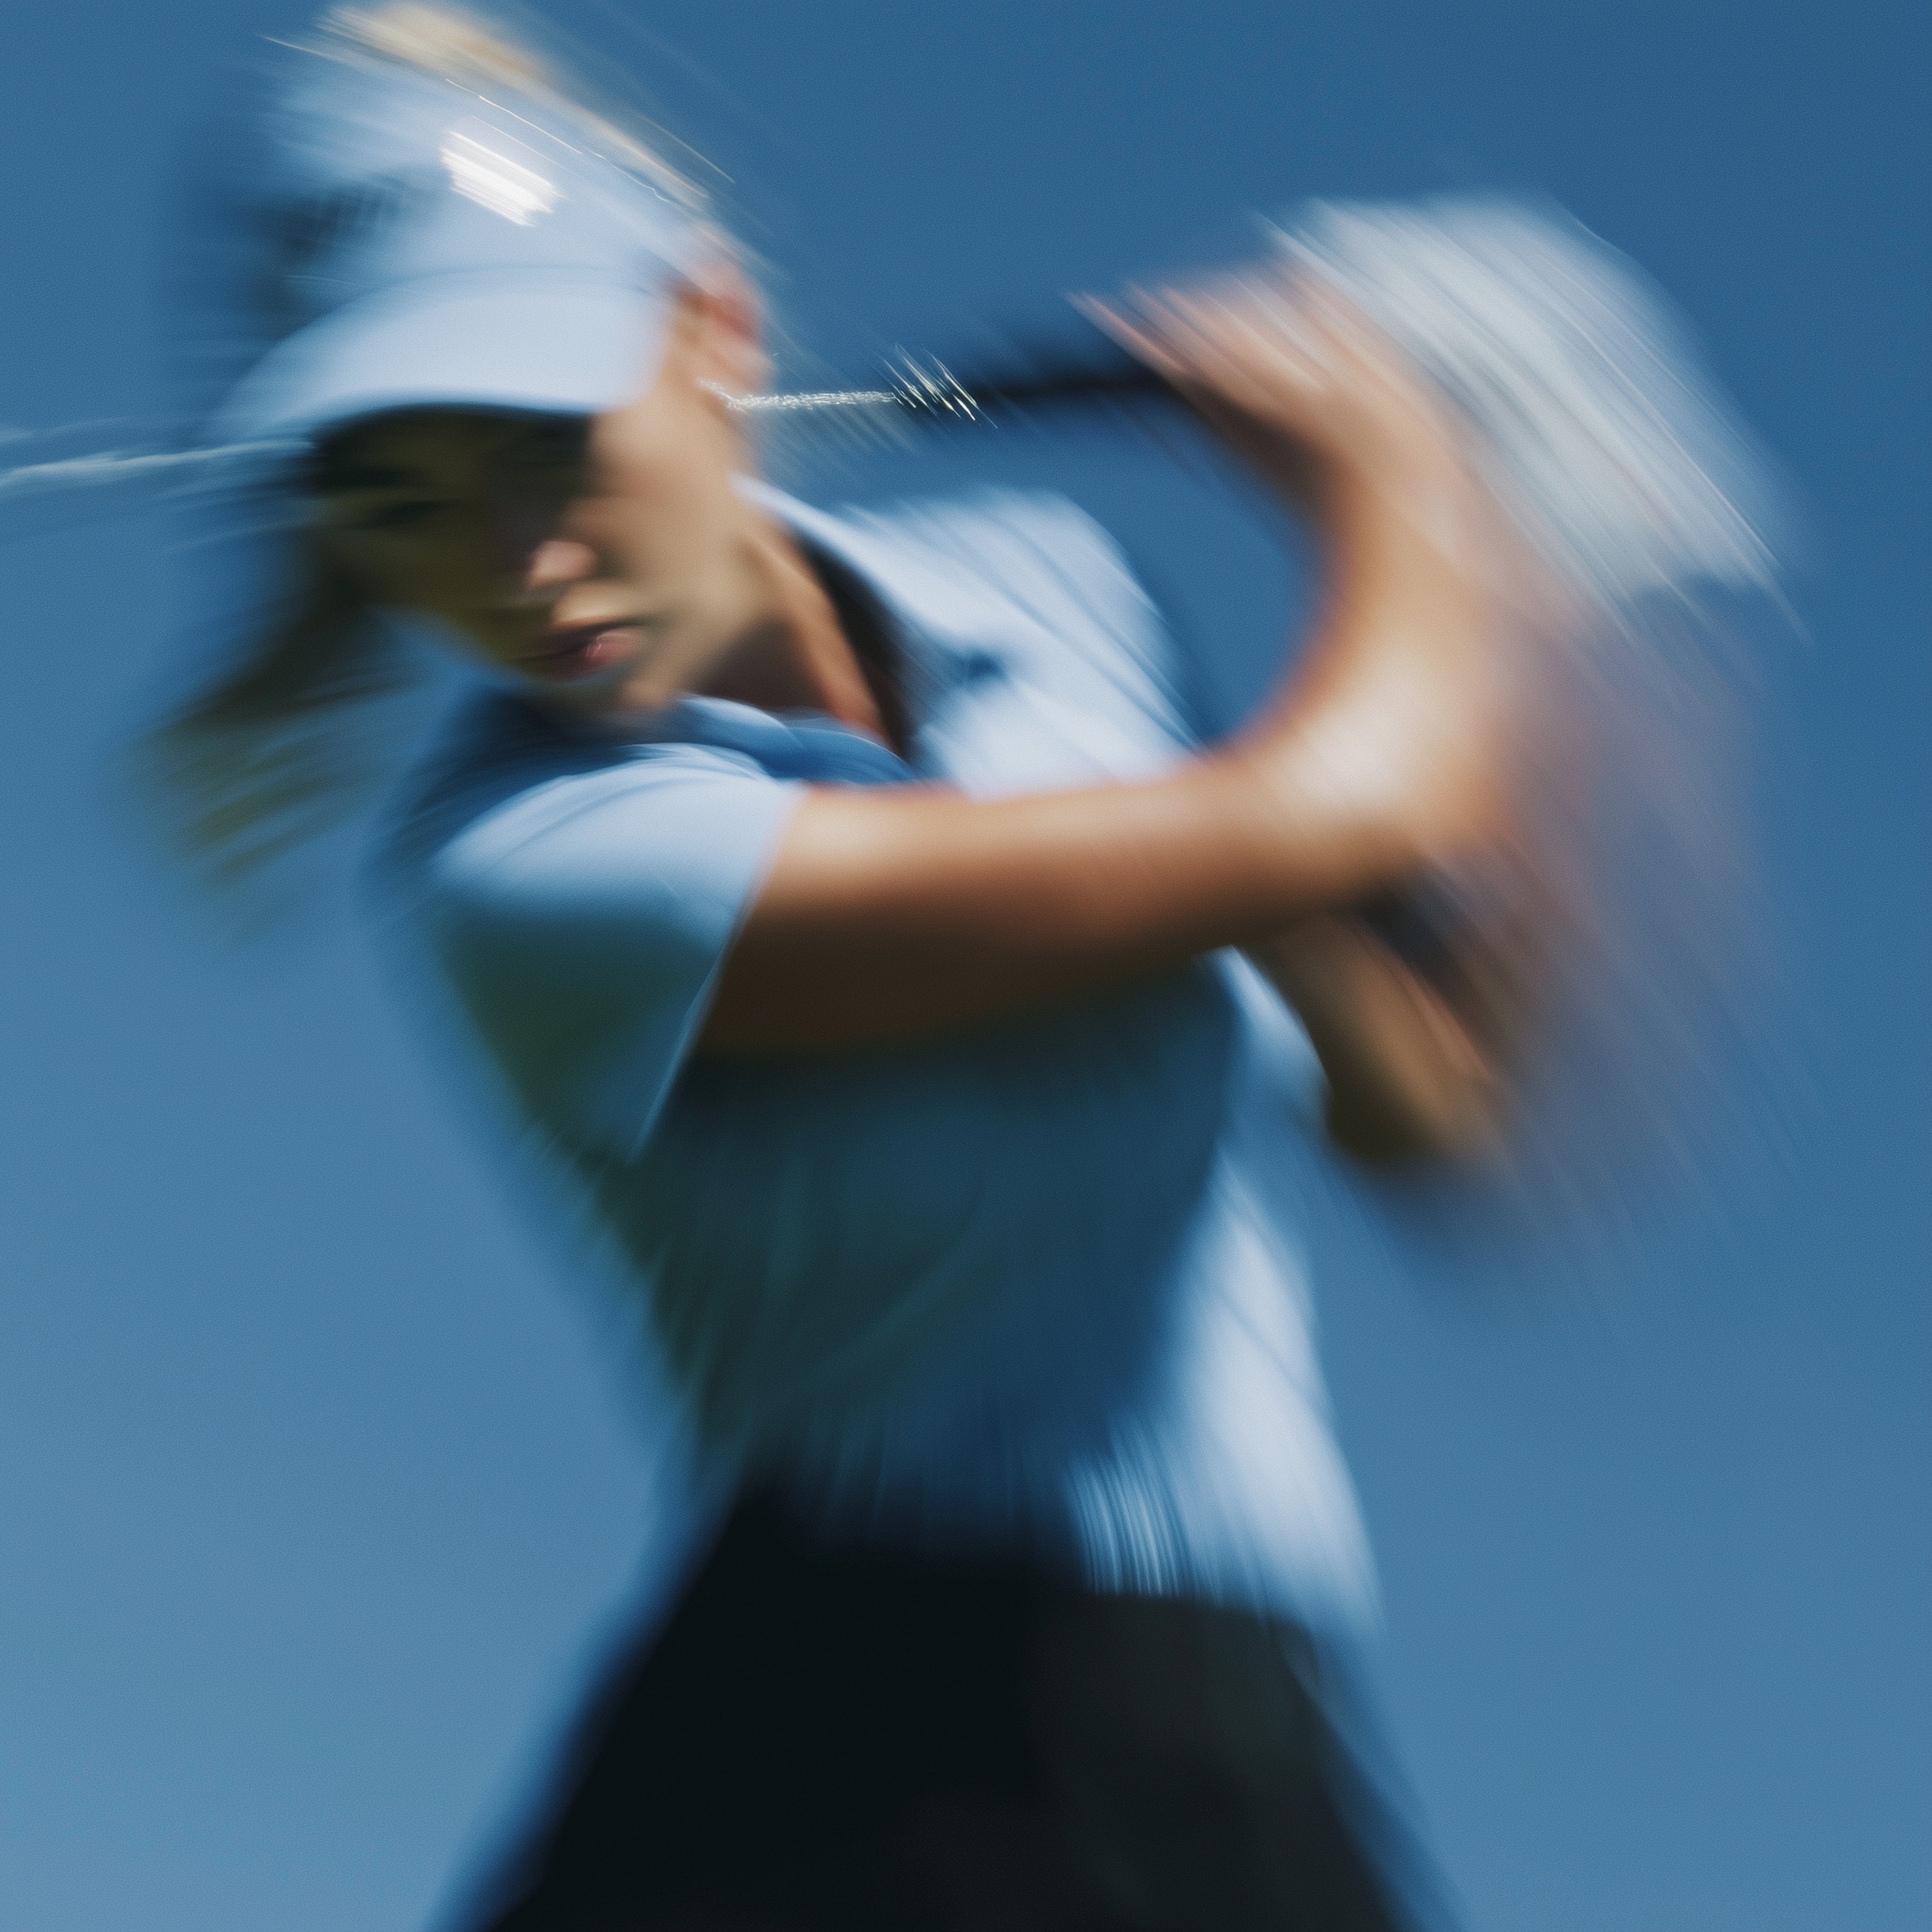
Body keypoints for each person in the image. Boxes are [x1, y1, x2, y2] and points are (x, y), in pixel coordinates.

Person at [152, 7, 1573, 1928]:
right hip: (853, 1733)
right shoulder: (530, 873)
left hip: (1241, 1737)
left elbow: (1417, 1092)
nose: (515, 561)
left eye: (544, 437)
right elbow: (1342, 804)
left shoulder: (1053, 586)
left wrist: (1566, 636)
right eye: (396, 500)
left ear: (714, 335)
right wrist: (1399, 464)